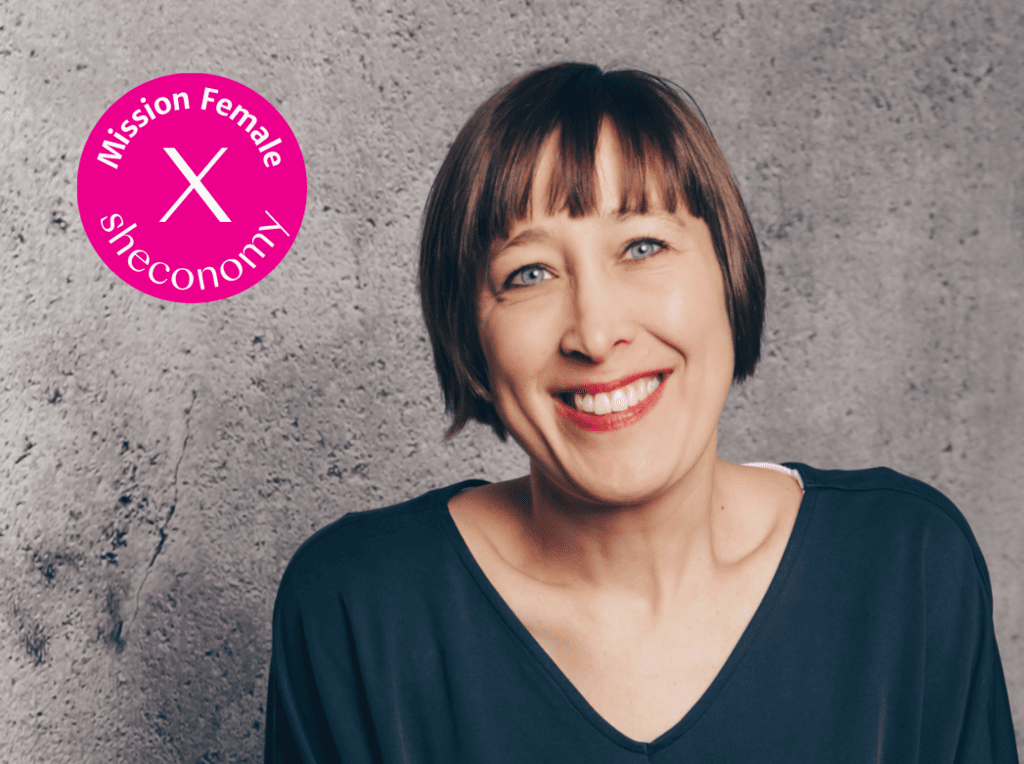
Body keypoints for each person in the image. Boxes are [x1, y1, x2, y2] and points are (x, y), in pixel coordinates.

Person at [264, 63, 1018, 762]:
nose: (595, 334)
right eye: (529, 273)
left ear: (730, 272)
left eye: (643, 247)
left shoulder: (908, 568)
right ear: (471, 337)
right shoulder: (356, 609)